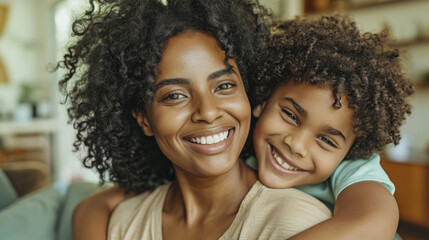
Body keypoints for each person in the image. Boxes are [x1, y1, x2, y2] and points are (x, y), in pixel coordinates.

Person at [57, 0, 331, 240]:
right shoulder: (124, 223)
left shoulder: (296, 223)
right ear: (144, 119)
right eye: (175, 95)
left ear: (248, 93)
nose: (208, 112)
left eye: (224, 86)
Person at [250, 14, 414, 239]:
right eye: (290, 115)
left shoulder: (351, 170)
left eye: (326, 140)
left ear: (351, 150)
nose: (297, 145)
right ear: (263, 100)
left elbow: (373, 221)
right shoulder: (240, 150)